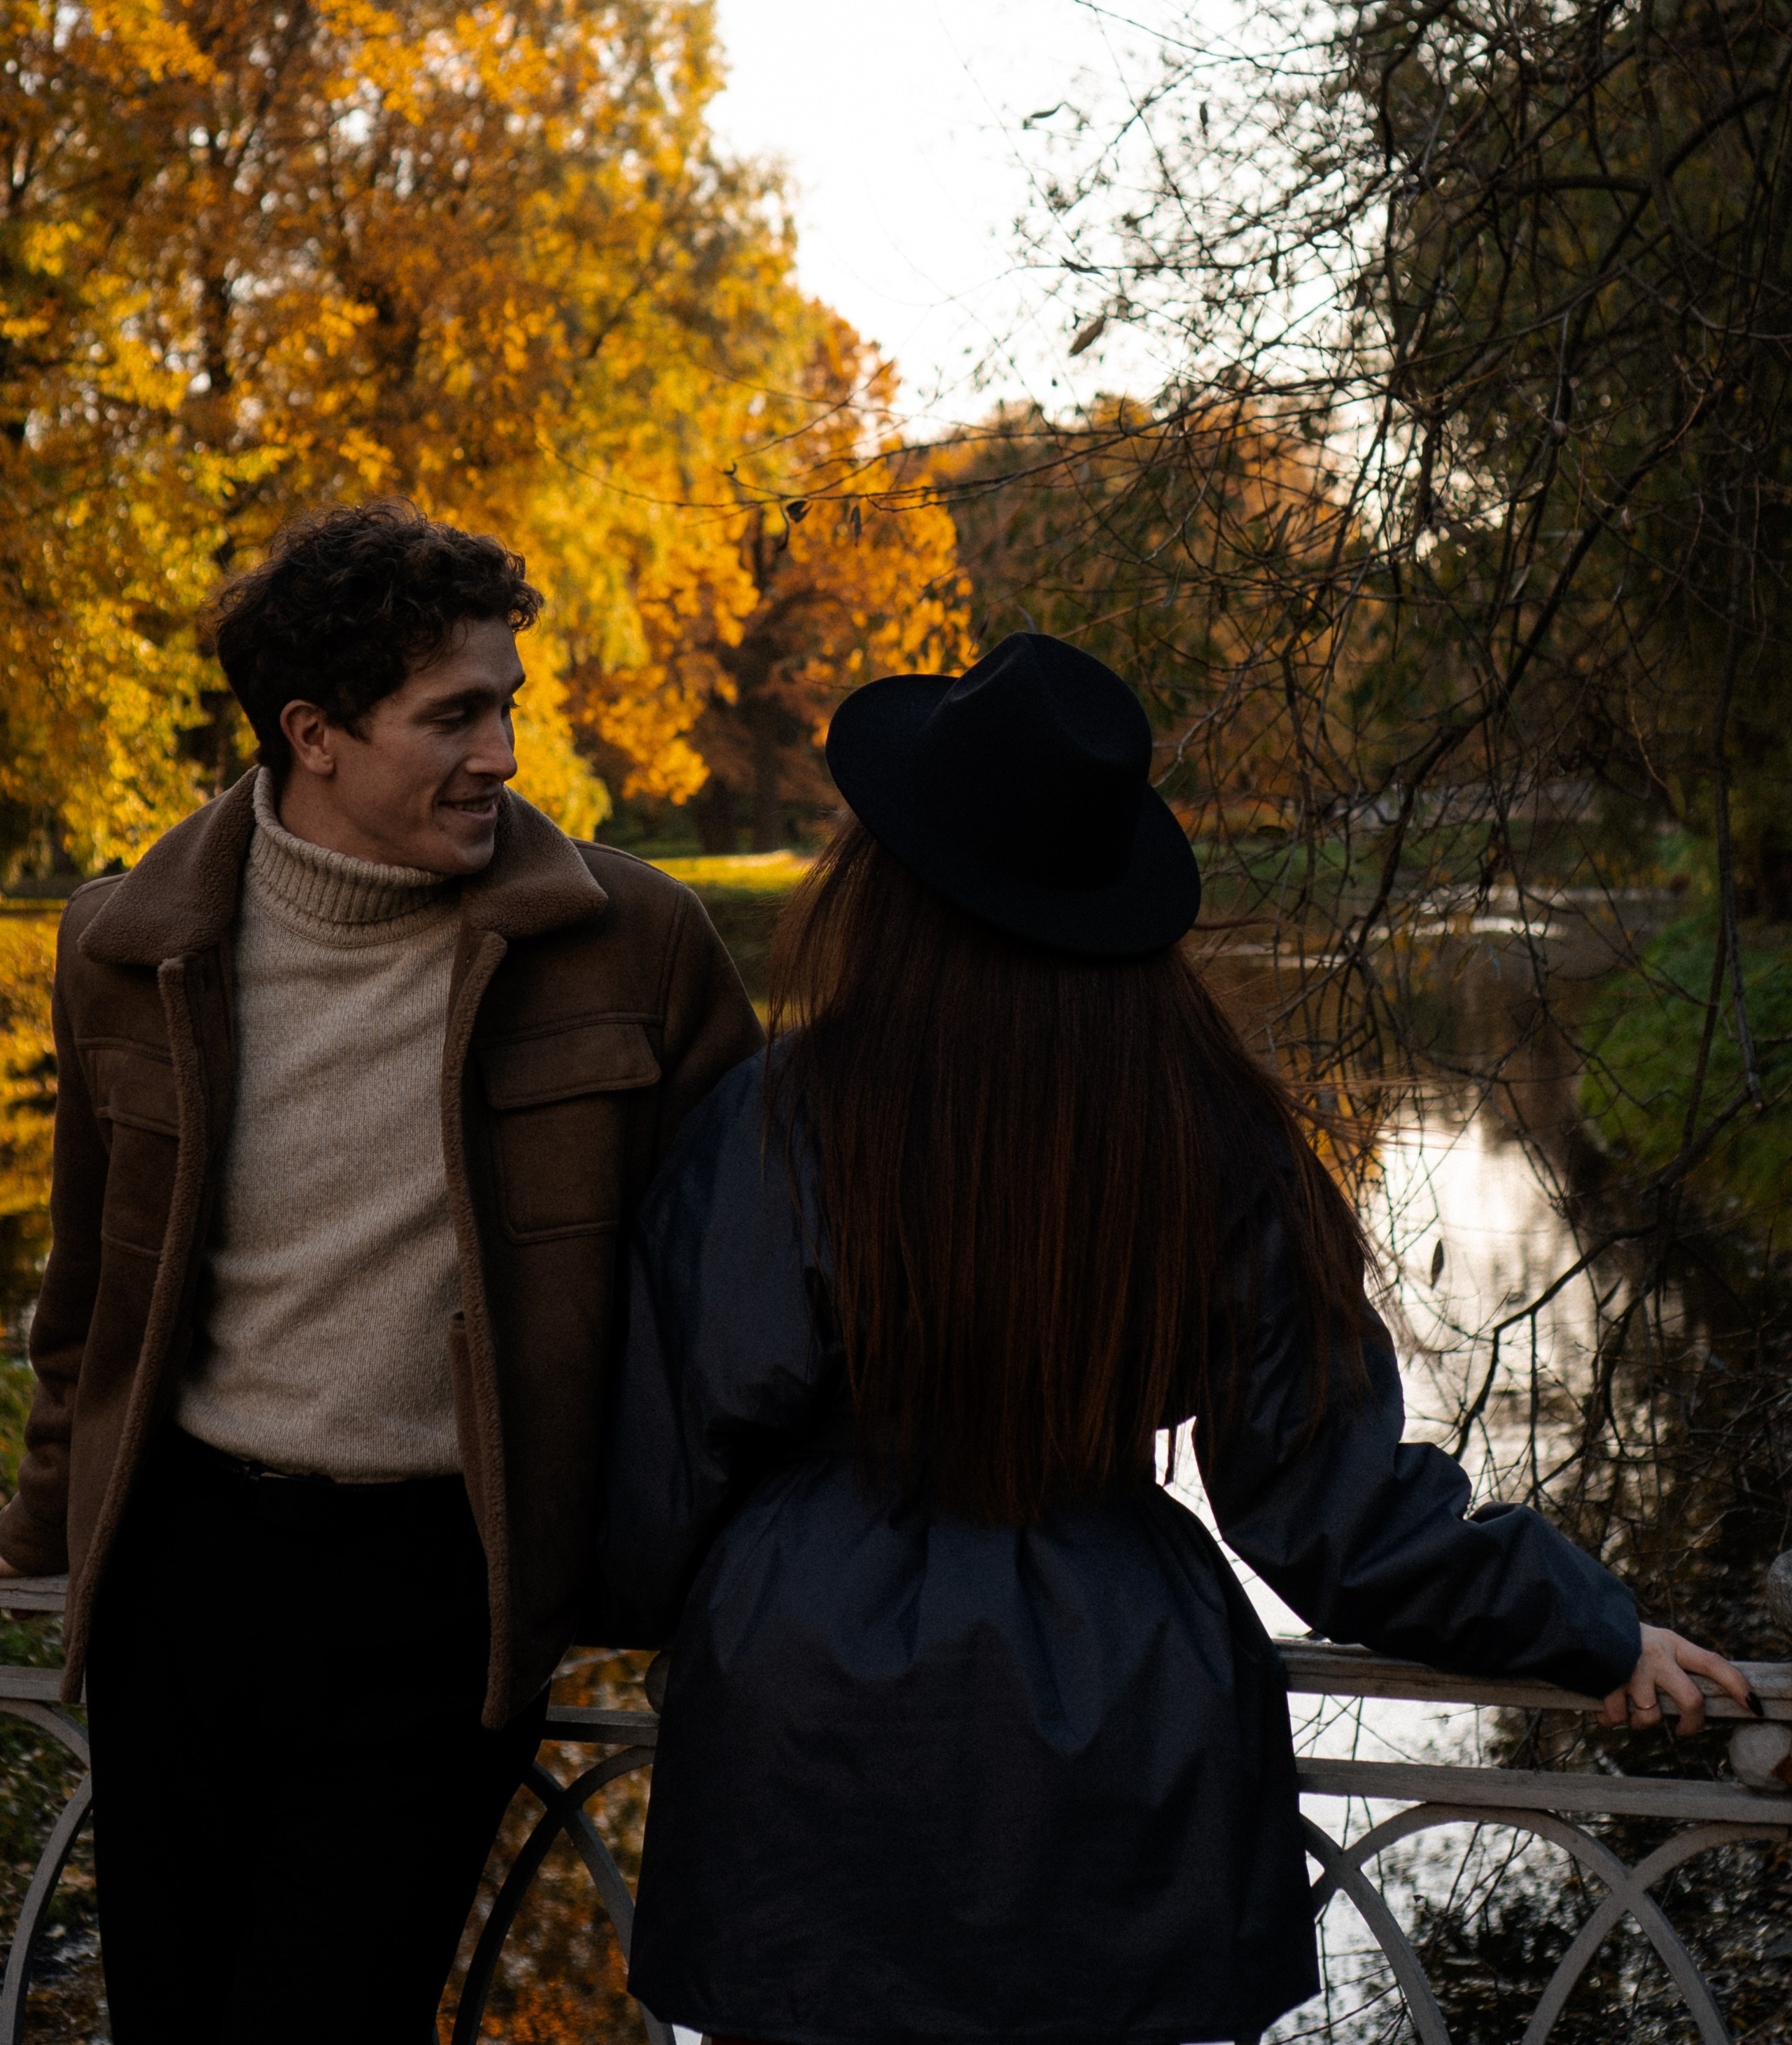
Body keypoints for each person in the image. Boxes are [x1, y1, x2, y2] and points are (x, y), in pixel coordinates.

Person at [597, 629, 1756, 2045]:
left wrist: (658, 1617)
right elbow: (1332, 1511)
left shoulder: (778, 1120)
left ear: (888, 881)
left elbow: (664, 1477)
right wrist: (1586, 1624)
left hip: (807, 1735)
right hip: (1119, 1717)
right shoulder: (1214, 1136)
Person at [0, 503, 761, 2042]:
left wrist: (700, 1567)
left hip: (443, 1596)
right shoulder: (125, 949)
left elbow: (736, 1314)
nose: (499, 755)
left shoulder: (638, 947)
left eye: (505, 709)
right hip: (180, 1579)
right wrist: (40, 1554)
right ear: (315, 734)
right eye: (453, 716)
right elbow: (90, 1297)